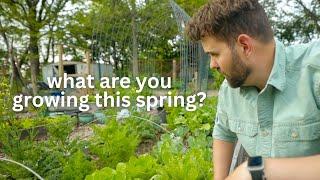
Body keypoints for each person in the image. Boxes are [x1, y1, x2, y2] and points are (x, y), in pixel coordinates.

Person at [185, 0, 320, 180]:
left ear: (245, 46)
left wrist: (256, 170)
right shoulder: (229, 89)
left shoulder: (314, 71)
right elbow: (223, 132)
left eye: (215, 54)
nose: (212, 65)